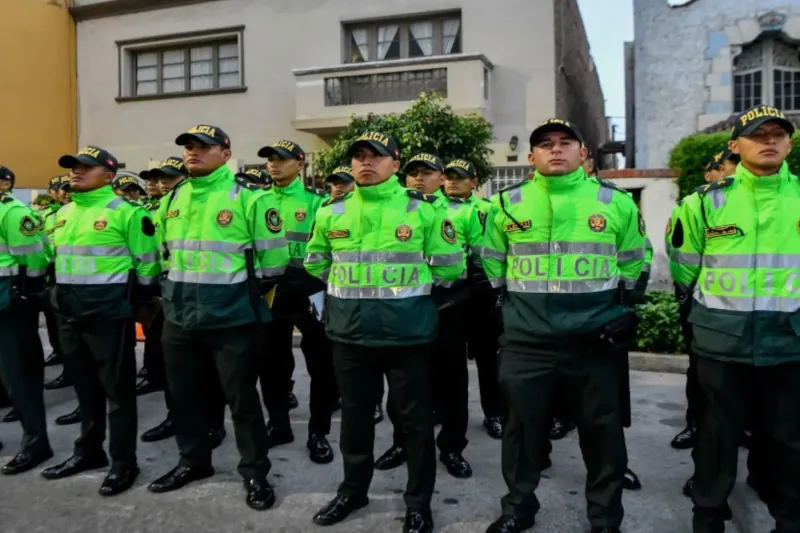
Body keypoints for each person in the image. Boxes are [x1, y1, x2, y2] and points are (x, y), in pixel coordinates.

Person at [482, 119, 645, 533]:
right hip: (526, 342)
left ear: (583, 153)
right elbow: (493, 267)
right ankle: (518, 508)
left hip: (593, 343)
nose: (555, 150)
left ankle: (605, 518)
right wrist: (512, 314)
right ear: (531, 156)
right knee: (520, 432)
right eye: (545, 144)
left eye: (565, 143)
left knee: (602, 434)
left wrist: (621, 314)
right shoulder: (505, 204)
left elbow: (633, 267)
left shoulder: (616, 203)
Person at [305, 131, 466, 533]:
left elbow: (450, 267)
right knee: (355, 423)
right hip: (349, 335)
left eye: (375, 156)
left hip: (407, 337)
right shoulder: (331, 211)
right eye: (358, 156)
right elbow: (316, 264)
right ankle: (353, 491)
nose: (365, 163)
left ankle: (418, 503)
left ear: (395, 164)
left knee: (413, 425)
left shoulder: (424, 211)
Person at [670, 105, 800, 533]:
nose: (769, 141)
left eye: (778, 134)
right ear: (735, 145)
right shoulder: (704, 204)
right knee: (715, 440)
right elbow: (685, 269)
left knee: (788, 441)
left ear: (789, 142)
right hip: (721, 345)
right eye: (758, 134)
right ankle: (708, 518)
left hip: (789, 344)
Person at [147, 125, 288, 511]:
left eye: (203, 147)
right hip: (179, 316)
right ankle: (193, 462)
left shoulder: (250, 199)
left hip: (231, 318)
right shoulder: (174, 196)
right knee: (183, 398)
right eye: (188, 147)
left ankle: (256, 472)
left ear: (226, 154)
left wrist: (236, 295)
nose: (193, 153)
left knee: (241, 401)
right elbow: (163, 250)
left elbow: (274, 262)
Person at [41, 145, 161, 497]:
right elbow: (54, 261)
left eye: (85, 168)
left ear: (109, 176)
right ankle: (89, 452)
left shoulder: (126, 213)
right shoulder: (63, 214)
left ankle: (124, 463)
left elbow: (148, 265)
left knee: (118, 394)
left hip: (109, 316)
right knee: (86, 392)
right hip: (70, 315)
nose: (74, 173)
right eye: (72, 167)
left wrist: (135, 305)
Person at [375, 152, 482, 480]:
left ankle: (451, 447)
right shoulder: (393, 211)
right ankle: (402, 443)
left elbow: (481, 265)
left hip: (447, 310)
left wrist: (460, 298)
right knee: (403, 387)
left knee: (452, 385)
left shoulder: (460, 213)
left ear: (441, 177)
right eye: (413, 173)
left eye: (427, 172)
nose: (419, 178)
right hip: (404, 310)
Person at [257, 139, 338, 464]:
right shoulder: (257, 201)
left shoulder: (318, 202)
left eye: (282, 159)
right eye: (270, 159)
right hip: (272, 290)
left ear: (300, 164)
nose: (274, 164)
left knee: (322, 362)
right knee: (270, 362)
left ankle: (318, 432)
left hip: (311, 287)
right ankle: (278, 426)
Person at [669, 148, 740, 452]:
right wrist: (688, 296)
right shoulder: (701, 201)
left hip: (769, 315)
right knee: (702, 371)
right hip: (707, 307)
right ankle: (696, 424)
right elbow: (682, 253)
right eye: (728, 165)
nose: (731, 170)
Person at [443, 159, 505, 440]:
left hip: (480, 291)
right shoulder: (433, 208)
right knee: (448, 361)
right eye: (449, 176)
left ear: (474, 180)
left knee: (487, 359)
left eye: (460, 177)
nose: (453, 181)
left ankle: (494, 413)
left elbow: (495, 247)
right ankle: (443, 412)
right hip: (448, 292)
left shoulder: (488, 209)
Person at [0, 171, 53, 475]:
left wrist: (27, 296)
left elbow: (35, 258)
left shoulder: (14, 213)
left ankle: (36, 441)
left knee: (19, 376)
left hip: (11, 304)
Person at [137, 156, 189, 443]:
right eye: (158, 177)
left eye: (168, 176)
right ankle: (175, 416)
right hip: (160, 293)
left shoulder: (187, 207)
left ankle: (210, 423)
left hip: (191, 293)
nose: (161, 182)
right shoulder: (154, 210)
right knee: (168, 361)